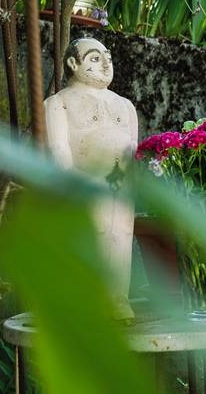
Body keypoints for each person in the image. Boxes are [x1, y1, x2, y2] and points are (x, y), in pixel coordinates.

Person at [45, 37, 139, 320]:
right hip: (83, 184)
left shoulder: (125, 106)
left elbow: (132, 148)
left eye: (108, 57)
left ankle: (118, 298)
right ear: (73, 63)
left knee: (121, 236)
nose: (106, 64)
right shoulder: (59, 103)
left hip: (120, 185)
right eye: (95, 58)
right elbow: (59, 150)